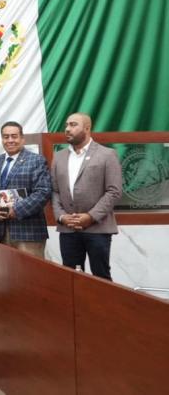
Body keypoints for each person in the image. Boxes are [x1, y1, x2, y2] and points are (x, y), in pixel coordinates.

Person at [50, 113, 123, 280]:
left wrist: (90, 217)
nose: (67, 129)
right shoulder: (59, 157)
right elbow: (55, 191)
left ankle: (103, 307)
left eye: (73, 125)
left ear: (87, 128)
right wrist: (61, 217)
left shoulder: (107, 154)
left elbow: (114, 191)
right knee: (71, 277)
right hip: (68, 229)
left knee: (101, 276)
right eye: (67, 125)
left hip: (98, 228)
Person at [0, 121, 51, 258]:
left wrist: (15, 210)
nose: (10, 140)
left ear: (22, 138)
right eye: (6, 137)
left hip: (29, 232)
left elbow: (43, 192)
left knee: (31, 276)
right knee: (6, 277)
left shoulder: (36, 160)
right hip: (2, 231)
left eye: (14, 136)